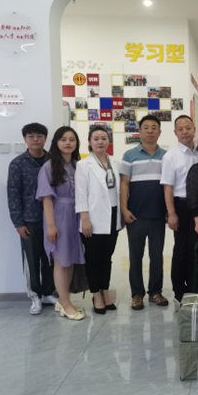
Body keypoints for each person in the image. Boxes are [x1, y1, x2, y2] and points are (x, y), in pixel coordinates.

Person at [7, 122, 57, 315]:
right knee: (31, 259)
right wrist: (18, 222)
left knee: (51, 257)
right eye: (31, 136)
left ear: (45, 138)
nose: (35, 139)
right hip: (30, 219)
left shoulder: (54, 160)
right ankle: (35, 295)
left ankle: (48, 292)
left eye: (39, 136)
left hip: (53, 218)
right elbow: (13, 194)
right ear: (25, 139)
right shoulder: (18, 163)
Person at [36, 126, 86, 321]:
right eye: (63, 139)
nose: (68, 143)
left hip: (76, 216)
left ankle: (64, 300)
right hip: (59, 217)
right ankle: (65, 304)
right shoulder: (48, 167)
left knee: (70, 260)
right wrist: (51, 225)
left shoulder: (77, 165)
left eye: (72, 139)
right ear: (56, 142)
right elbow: (47, 199)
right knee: (60, 262)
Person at [120, 115, 169, 311]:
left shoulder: (166, 156)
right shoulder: (129, 155)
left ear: (159, 132)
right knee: (135, 256)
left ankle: (155, 291)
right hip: (136, 215)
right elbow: (124, 184)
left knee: (157, 255)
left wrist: (170, 211)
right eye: (146, 127)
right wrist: (124, 209)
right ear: (139, 131)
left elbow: (169, 186)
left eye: (154, 127)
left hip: (158, 215)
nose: (150, 131)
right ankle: (137, 294)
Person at [76, 126, 123, 315]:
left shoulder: (115, 163)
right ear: (89, 142)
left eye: (104, 138)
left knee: (107, 258)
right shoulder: (83, 165)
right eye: (96, 138)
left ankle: (105, 290)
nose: (100, 142)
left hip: (113, 216)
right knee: (93, 258)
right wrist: (84, 219)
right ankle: (95, 294)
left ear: (108, 141)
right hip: (93, 217)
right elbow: (80, 194)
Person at [161, 115, 198, 303]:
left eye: (188, 128)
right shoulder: (171, 156)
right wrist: (171, 213)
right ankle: (179, 290)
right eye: (180, 129)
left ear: (194, 130)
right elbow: (167, 187)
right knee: (181, 249)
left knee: (196, 248)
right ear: (175, 133)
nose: (185, 132)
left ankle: (194, 285)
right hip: (181, 205)